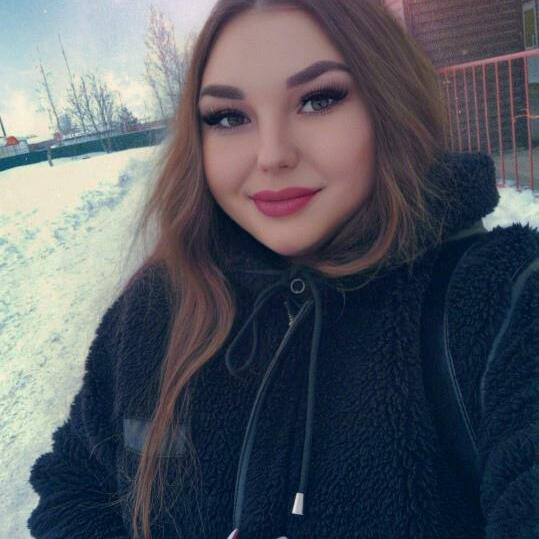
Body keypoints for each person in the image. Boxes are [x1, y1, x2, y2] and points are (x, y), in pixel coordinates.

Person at [27, 1, 539, 538]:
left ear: (390, 102)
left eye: (319, 100)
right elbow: (75, 483)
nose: (271, 155)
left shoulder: (502, 299)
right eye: (229, 117)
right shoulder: (156, 304)